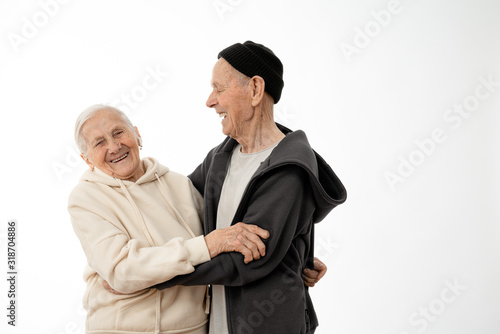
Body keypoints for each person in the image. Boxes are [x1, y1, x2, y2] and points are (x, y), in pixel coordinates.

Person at [154, 41, 347, 334]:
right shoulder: (221, 157)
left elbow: (244, 261)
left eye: (219, 89)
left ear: (255, 89)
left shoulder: (288, 169)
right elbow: (179, 210)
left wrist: (152, 274)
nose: (210, 100)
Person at [67, 104, 271, 334]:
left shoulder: (177, 183)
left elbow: (230, 235)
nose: (114, 146)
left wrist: (292, 258)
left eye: (118, 133)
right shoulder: (85, 198)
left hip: (195, 327)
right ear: (87, 160)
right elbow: (122, 270)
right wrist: (207, 245)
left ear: (137, 134)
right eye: (99, 142)